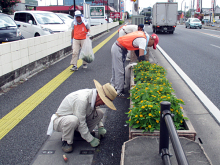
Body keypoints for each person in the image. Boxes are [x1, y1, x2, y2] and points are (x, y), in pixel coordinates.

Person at [47, 80, 117, 153]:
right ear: (100, 97)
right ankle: (66, 141)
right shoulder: (82, 100)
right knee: (73, 120)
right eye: (104, 102)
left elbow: (96, 110)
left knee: (100, 113)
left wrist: (100, 126)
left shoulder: (94, 95)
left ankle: (79, 133)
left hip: (76, 117)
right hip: (61, 120)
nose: (103, 104)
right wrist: (90, 139)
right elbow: (81, 122)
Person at [110, 31, 159, 96]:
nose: (150, 46)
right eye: (152, 44)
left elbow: (137, 51)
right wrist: (146, 69)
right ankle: (119, 91)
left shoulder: (143, 35)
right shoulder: (143, 40)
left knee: (116, 68)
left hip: (118, 46)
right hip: (119, 48)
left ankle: (112, 86)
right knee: (120, 71)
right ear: (152, 39)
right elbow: (141, 57)